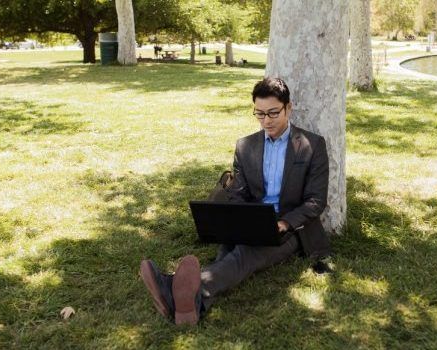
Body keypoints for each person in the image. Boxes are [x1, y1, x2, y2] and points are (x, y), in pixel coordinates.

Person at [139, 77, 332, 325]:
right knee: (229, 246)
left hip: (291, 228)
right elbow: (239, 192)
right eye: (259, 114)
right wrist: (234, 216)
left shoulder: (312, 145)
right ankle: (192, 304)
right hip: (252, 217)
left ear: (289, 108)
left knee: (244, 253)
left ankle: (175, 287)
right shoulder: (245, 145)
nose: (266, 121)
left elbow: (316, 201)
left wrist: (283, 224)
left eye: (273, 113)